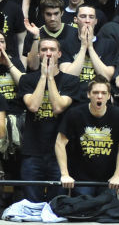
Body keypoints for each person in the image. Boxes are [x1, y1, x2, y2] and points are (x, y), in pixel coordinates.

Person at [18, 38, 78, 202]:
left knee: (57, 204)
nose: (48, 53)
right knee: (32, 203)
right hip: (32, 151)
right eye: (44, 50)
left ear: (59, 54)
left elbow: (58, 107)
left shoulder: (71, 81)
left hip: (59, 153)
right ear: (39, 53)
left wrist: (50, 78)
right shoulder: (27, 80)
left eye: (52, 49)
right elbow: (33, 106)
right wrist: (43, 76)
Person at [55, 75, 119, 196]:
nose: (99, 96)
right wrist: (65, 174)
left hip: (109, 179)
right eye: (96, 92)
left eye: (104, 93)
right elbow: (59, 143)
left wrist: (118, 174)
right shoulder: (75, 114)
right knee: (84, 211)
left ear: (109, 96)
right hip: (82, 179)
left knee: (107, 212)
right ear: (88, 94)